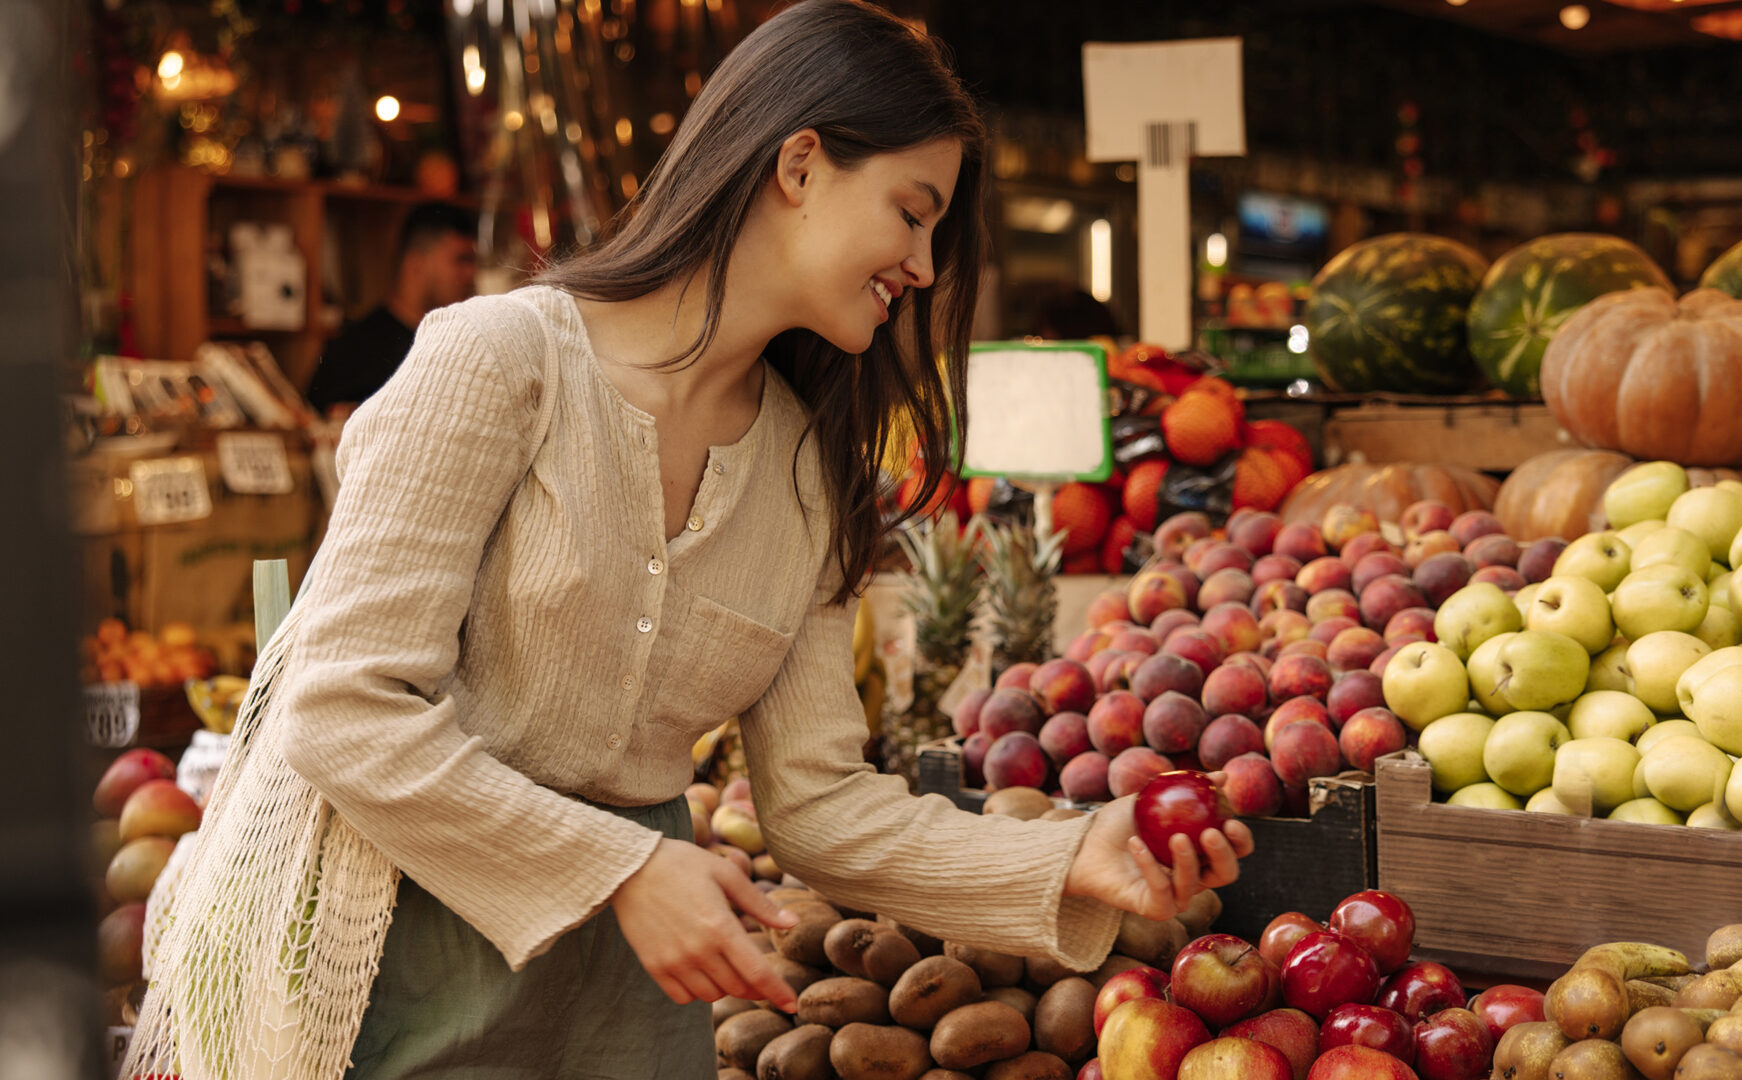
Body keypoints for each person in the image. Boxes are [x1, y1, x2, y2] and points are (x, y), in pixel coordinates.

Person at [124, 4, 1252, 1077]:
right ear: (799, 165)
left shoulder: (812, 473)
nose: (923, 264)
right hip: (390, 959)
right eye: (912, 211)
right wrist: (618, 868)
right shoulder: (502, 363)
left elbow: (819, 807)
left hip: (632, 1003)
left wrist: (1067, 853)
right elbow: (343, 703)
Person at [305, 201, 478, 413]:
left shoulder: (461, 345)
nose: (471, 273)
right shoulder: (354, 348)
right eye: (461, 260)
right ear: (416, 264)